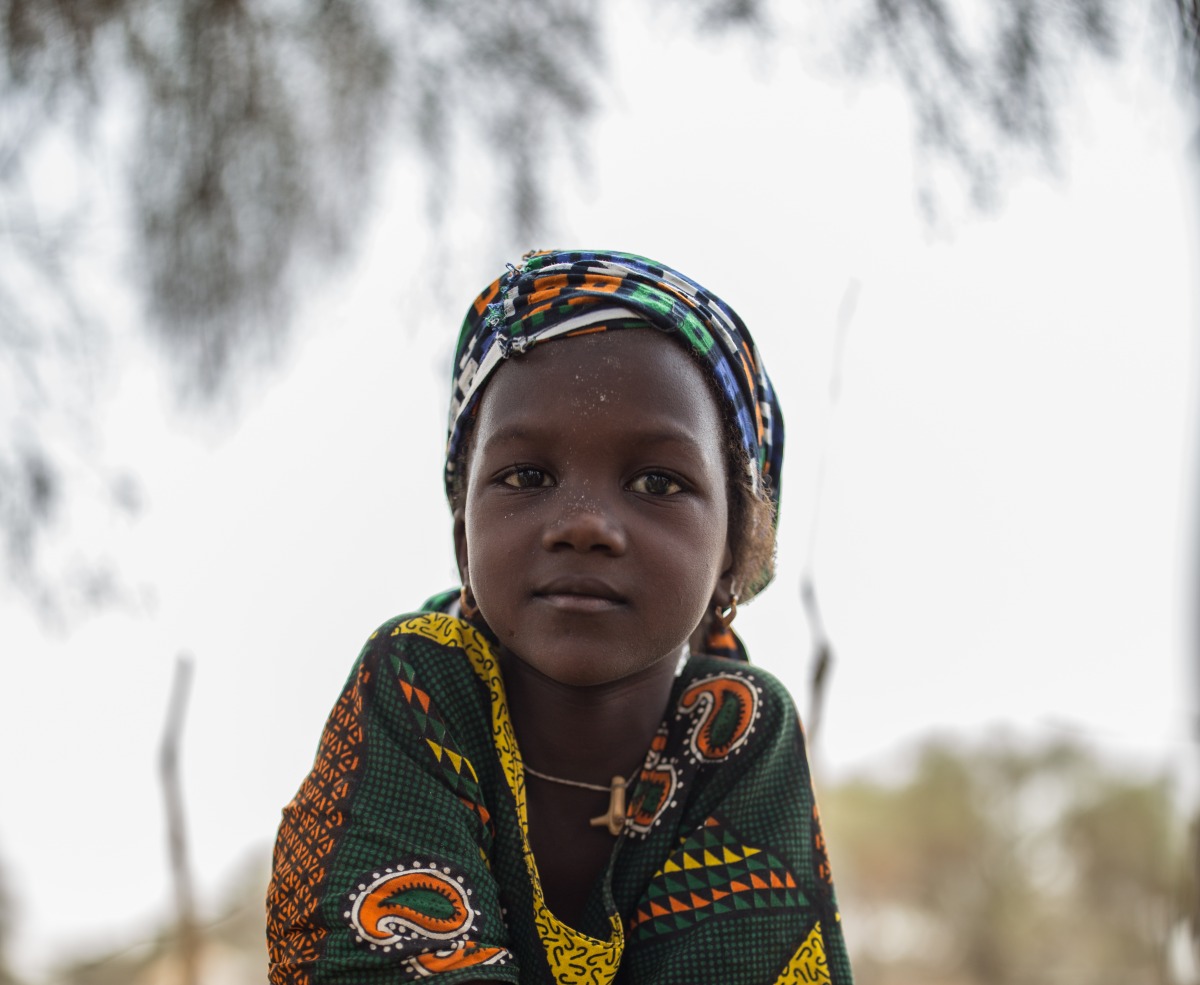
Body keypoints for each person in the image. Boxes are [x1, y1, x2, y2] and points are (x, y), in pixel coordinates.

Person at [266, 249, 854, 984]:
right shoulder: (418, 688)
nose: (583, 524)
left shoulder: (736, 734)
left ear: (733, 553)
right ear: (463, 539)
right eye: (527, 476)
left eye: (656, 480)